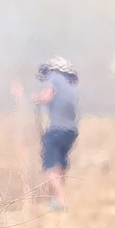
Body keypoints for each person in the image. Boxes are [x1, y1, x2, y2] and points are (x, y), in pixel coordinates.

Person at [33, 57, 79, 211]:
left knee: (50, 167)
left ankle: (61, 200)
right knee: (60, 165)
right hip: (71, 131)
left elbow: (47, 96)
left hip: (56, 129)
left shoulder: (54, 78)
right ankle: (57, 199)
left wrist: (36, 99)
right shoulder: (70, 85)